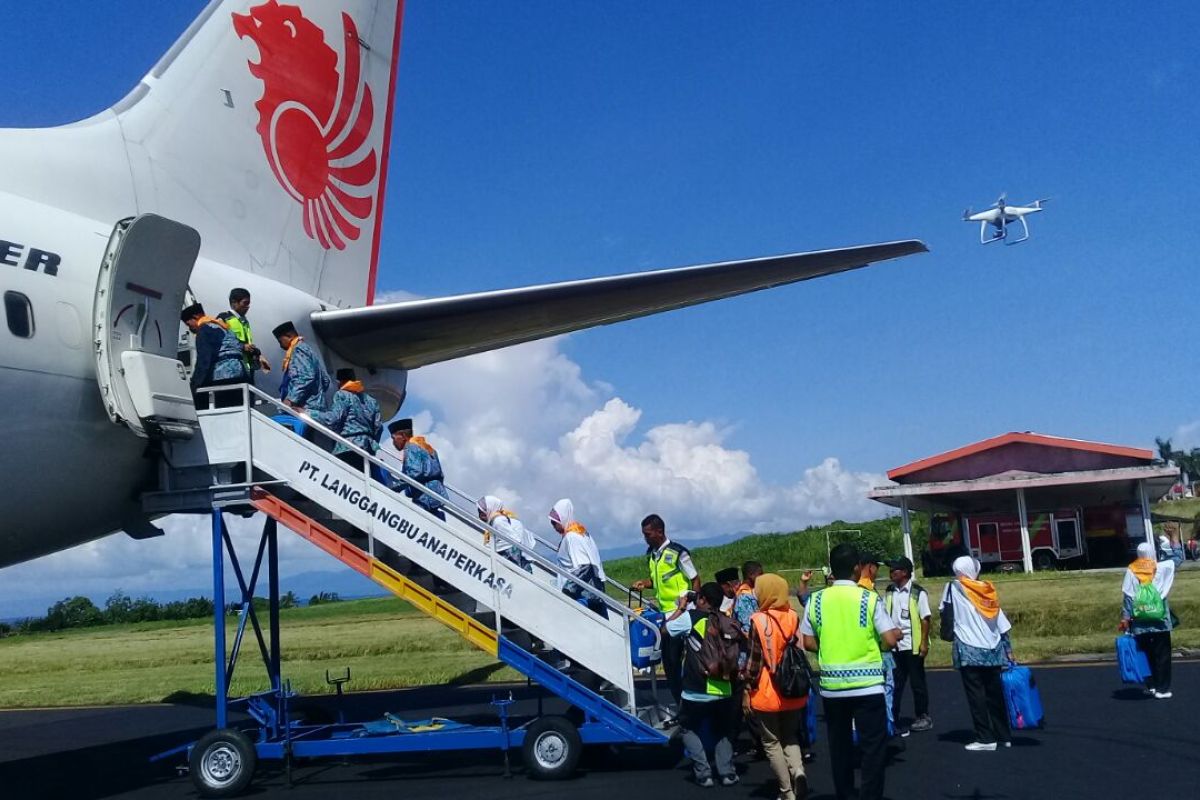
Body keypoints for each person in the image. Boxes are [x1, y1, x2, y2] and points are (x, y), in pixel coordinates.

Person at [801, 544, 900, 800]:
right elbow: (889, 640)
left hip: (833, 689)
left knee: (840, 748)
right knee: (872, 749)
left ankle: (844, 794)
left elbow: (808, 642)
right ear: (857, 568)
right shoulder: (868, 598)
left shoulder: (816, 600)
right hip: (867, 685)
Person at [665, 582, 739, 788]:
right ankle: (727, 773)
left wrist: (681, 607)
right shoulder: (727, 620)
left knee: (687, 727)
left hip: (696, 688)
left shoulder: (691, 618)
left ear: (702, 599)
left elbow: (666, 629)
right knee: (723, 730)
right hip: (723, 687)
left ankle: (704, 773)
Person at [745, 573, 808, 800]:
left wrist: (747, 689)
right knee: (791, 735)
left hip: (768, 690)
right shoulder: (792, 616)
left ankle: (787, 791)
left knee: (771, 742)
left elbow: (753, 662)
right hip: (793, 688)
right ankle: (798, 771)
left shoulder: (758, 621)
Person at [942, 556, 1013, 751]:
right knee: (995, 694)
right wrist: (1008, 650)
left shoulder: (953, 588)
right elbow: (1001, 622)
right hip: (993, 648)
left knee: (976, 695)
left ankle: (985, 737)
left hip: (968, 648)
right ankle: (1004, 735)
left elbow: (944, 611)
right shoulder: (987, 590)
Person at [630, 514, 700, 706]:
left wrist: (692, 603)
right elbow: (659, 581)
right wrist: (646, 583)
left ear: (659, 532)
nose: (645, 538)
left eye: (648, 534)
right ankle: (680, 703)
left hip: (681, 614)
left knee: (677, 662)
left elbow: (694, 579)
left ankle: (686, 704)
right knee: (669, 664)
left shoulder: (678, 553)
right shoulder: (652, 555)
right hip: (665, 615)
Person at [1119, 541, 1177, 698]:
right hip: (1160, 620)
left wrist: (1125, 619)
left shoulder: (1131, 570)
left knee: (1145, 654)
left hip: (1140, 621)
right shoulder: (1162, 567)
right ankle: (1162, 689)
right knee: (1162, 654)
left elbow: (1128, 598)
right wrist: (1173, 541)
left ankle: (1151, 685)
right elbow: (1177, 559)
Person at [884, 556, 932, 735]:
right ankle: (893, 716)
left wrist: (923, 643)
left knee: (917, 683)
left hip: (911, 645)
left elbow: (925, 619)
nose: (891, 574)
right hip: (895, 646)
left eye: (894, 570)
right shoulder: (889, 591)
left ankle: (922, 715)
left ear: (904, 572)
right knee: (895, 683)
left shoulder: (917, 592)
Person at [310, 368, 382, 470]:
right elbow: (379, 427)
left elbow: (333, 419)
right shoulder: (372, 401)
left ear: (339, 382)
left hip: (347, 448)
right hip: (368, 450)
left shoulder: (342, 394)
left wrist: (309, 413)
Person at [857, 551, 896, 739]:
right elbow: (884, 633)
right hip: (879, 656)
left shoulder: (855, 590)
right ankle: (885, 735)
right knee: (885, 697)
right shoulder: (869, 593)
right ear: (870, 567)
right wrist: (893, 634)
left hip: (859, 656)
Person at [549, 499, 608, 619]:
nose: (553, 526)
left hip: (582, 597)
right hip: (592, 594)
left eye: (555, 522)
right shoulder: (582, 533)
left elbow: (584, 566)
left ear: (563, 518)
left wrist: (568, 590)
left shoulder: (572, 537)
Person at [181, 302, 246, 409]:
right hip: (240, 374)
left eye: (189, 324)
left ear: (195, 317)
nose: (190, 329)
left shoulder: (204, 330)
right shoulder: (224, 327)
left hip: (223, 377)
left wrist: (194, 386)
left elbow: (204, 360)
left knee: (202, 404)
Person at [387, 419, 448, 519]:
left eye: (394, 438)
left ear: (402, 436)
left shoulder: (411, 447)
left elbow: (414, 473)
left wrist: (394, 487)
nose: (393, 443)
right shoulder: (426, 447)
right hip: (436, 496)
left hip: (424, 499)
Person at [272, 321, 330, 413]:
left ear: (289, 336)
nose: (281, 346)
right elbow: (325, 380)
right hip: (316, 408)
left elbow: (305, 377)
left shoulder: (298, 350)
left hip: (304, 408)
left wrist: (291, 399)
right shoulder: (308, 349)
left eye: (280, 341)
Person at [217, 287, 270, 384]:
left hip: (247, 368)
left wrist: (256, 353)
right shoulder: (224, 318)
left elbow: (247, 342)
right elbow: (220, 341)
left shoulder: (245, 322)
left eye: (249, 303)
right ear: (234, 303)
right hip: (232, 368)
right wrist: (242, 346)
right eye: (245, 303)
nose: (248, 306)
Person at [477, 495, 536, 572]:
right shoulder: (502, 518)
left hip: (515, 561)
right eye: (479, 512)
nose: (480, 515)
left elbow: (512, 541)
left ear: (490, 508)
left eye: (483, 511)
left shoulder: (498, 521)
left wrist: (490, 548)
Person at [734, 561, 764, 632]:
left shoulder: (752, 590)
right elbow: (748, 624)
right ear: (751, 575)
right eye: (760, 574)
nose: (762, 577)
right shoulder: (743, 596)